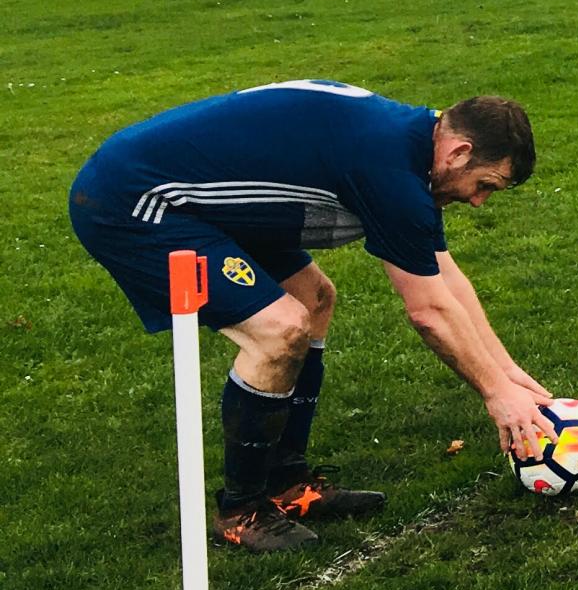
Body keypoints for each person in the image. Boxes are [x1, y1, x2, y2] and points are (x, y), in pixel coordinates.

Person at [69, 83, 552, 552]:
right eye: (485, 185)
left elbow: (446, 281)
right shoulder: (390, 170)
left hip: (208, 205)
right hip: (136, 200)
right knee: (279, 331)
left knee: (314, 299)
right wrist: (495, 396)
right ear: (459, 152)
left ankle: (287, 482)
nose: (478, 200)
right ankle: (242, 509)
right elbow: (428, 312)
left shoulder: (408, 146)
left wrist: (508, 375)